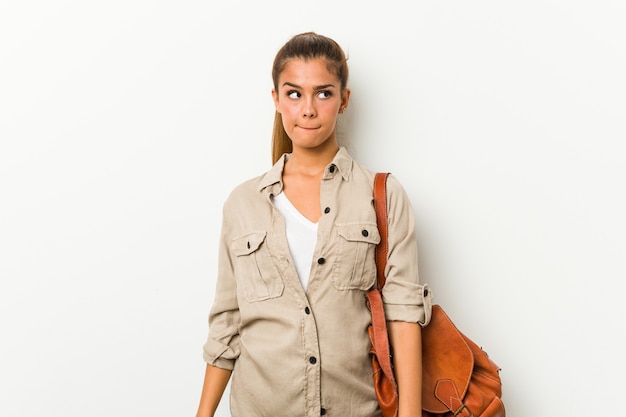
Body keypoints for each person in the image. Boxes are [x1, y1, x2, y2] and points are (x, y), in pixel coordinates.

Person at [195, 32, 432, 417]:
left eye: (323, 93)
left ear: (344, 100)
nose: (308, 109)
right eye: (293, 93)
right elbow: (227, 323)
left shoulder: (383, 196)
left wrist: (410, 414)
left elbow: (403, 315)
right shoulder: (243, 203)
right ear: (275, 99)